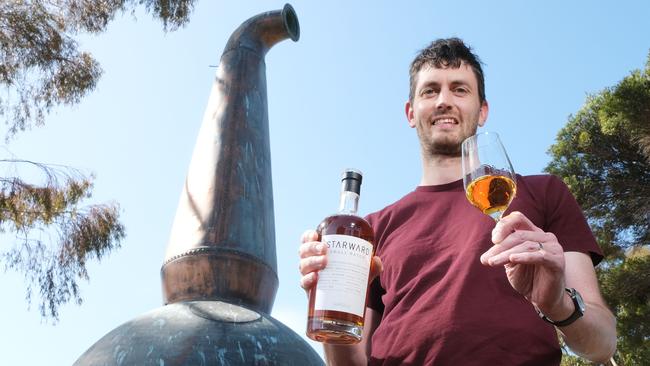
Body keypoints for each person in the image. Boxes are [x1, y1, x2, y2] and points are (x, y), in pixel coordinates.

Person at [298, 38, 617, 365]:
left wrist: (559, 305)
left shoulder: (543, 191)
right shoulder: (370, 230)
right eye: (430, 90)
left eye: (460, 90)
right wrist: (325, 301)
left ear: (483, 111)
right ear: (410, 112)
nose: (444, 101)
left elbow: (602, 343)